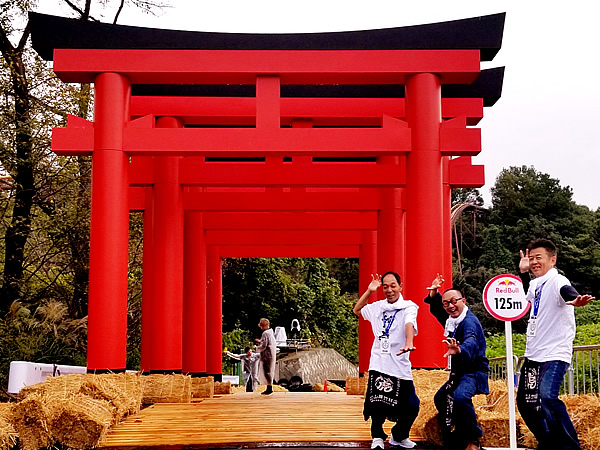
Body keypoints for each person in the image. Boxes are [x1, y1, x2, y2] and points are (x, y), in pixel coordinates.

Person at [517, 238, 595, 449]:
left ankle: (570, 447)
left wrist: (576, 298)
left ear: (553, 260)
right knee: (525, 403)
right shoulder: (535, 283)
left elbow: (566, 290)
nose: (534, 262)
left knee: (547, 397)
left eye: (538, 258)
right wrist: (523, 272)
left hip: (554, 353)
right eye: (531, 258)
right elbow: (528, 297)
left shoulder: (557, 279)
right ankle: (549, 443)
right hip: (534, 353)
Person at [353, 271, 420, 450]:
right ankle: (377, 436)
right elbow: (357, 310)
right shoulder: (377, 307)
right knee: (378, 402)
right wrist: (369, 291)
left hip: (400, 363)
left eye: (393, 286)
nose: (389, 290)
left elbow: (409, 324)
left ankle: (399, 435)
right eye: (385, 286)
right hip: (379, 361)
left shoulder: (408, 306)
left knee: (412, 405)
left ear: (400, 286)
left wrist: (408, 343)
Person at [424, 274, 489, 450]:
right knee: (441, 398)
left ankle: (474, 439)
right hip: (459, 372)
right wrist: (435, 293)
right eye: (446, 303)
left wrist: (459, 349)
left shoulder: (469, 322)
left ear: (463, 300)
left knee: (460, 397)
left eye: (454, 301)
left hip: (474, 372)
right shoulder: (453, 320)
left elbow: (471, 340)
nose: (450, 306)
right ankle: (460, 429)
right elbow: (438, 310)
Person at [254, 318, 277, 395]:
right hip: (272, 354)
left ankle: (269, 388)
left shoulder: (265, 333)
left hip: (267, 355)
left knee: (267, 372)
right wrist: (260, 341)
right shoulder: (270, 332)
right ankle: (269, 387)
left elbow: (264, 345)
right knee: (270, 371)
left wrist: (257, 348)